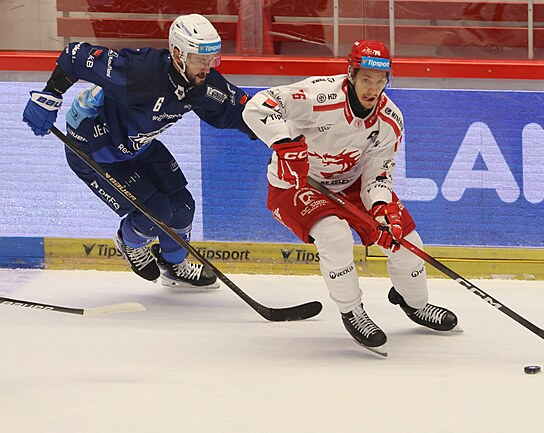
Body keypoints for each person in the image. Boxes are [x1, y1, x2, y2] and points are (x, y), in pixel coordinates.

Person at [243, 39, 459, 356]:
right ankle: (352, 311)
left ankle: (415, 303)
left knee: (405, 241)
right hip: (298, 183)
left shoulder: (390, 119)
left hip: (352, 185)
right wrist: (284, 143)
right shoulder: (319, 95)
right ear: (351, 75)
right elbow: (258, 106)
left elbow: (378, 175)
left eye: (381, 80)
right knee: (335, 237)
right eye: (366, 79)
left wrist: (382, 208)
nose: (373, 88)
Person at [22, 14, 256, 289]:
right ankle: (129, 242)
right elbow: (75, 56)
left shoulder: (202, 83)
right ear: (178, 55)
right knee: (155, 213)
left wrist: (281, 136)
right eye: (199, 60)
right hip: (93, 149)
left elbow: (244, 112)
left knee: (183, 207)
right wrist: (50, 95)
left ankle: (174, 266)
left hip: (136, 146)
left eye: (212, 59)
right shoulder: (140, 71)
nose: (207, 68)